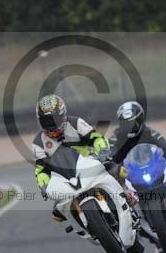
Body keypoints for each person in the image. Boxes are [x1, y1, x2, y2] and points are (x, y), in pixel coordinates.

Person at [32, 94, 110, 222]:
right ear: (39, 121)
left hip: (88, 166)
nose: (51, 125)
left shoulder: (75, 123)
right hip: (64, 179)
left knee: (114, 169)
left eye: (54, 119)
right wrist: (44, 185)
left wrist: (102, 150)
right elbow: (40, 171)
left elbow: (96, 138)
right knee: (57, 213)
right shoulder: (38, 143)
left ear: (62, 115)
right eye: (46, 121)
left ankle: (127, 194)